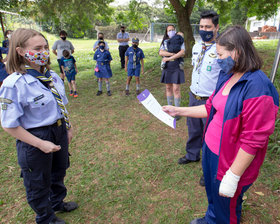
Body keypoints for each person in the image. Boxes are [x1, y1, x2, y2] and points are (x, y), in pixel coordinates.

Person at [163, 25, 279, 224]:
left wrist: (233, 176)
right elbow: (211, 108)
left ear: (238, 52)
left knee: (228, 204)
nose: (217, 59)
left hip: (230, 159)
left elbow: (253, 139)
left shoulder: (258, 88)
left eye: (220, 54)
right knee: (214, 196)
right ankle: (211, 219)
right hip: (211, 150)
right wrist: (178, 110)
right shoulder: (228, 74)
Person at [0, 28, 78, 224]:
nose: (43, 51)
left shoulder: (51, 76)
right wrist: (40, 144)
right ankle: (45, 218)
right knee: (38, 181)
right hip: (35, 137)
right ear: (20, 51)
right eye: (37, 48)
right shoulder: (14, 84)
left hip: (58, 130)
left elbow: (62, 105)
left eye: (45, 47)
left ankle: (57, 202)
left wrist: (67, 128)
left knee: (59, 170)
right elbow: (9, 125)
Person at [178, 11, 221, 187]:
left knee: (210, 136)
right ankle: (192, 155)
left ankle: (208, 169)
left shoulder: (221, 50)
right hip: (193, 95)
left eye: (208, 27)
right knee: (193, 129)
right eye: (201, 27)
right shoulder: (196, 47)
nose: (204, 30)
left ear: (217, 28)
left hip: (209, 101)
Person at [159, 25, 185, 121]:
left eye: (172, 30)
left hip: (177, 66)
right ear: (166, 32)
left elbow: (182, 52)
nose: (171, 31)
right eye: (169, 30)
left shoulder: (180, 39)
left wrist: (169, 58)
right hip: (167, 67)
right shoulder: (165, 42)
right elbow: (161, 52)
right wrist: (173, 54)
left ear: (175, 30)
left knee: (176, 89)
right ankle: (170, 109)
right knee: (168, 87)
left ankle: (176, 111)